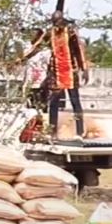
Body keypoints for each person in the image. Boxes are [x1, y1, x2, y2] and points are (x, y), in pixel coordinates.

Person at [23, 11, 89, 140]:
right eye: (54, 22)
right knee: (53, 103)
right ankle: (52, 132)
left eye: (58, 21)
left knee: (75, 102)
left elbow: (78, 51)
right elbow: (37, 46)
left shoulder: (70, 32)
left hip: (70, 72)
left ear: (62, 20)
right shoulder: (49, 33)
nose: (56, 24)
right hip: (56, 73)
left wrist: (84, 69)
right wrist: (21, 59)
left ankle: (80, 132)